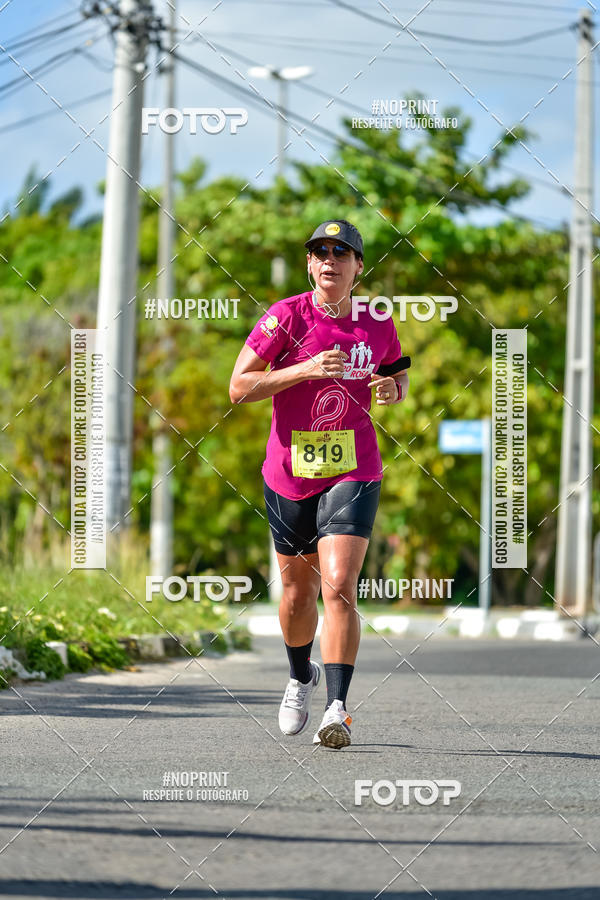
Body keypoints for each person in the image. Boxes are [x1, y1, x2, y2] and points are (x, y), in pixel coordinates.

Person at [229, 220, 409, 749]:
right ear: (310, 264)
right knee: (296, 593)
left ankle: (337, 707)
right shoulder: (286, 317)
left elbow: (397, 371)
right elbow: (239, 387)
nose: (329, 258)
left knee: (339, 586)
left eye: (341, 251)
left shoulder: (376, 319)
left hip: (354, 467)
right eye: (319, 251)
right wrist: (305, 368)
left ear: (358, 266)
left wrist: (392, 389)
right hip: (289, 471)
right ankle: (298, 675)